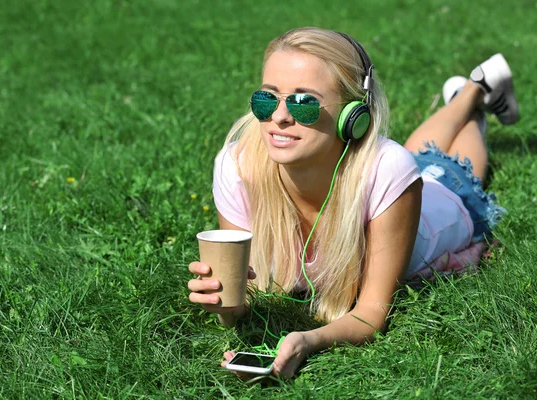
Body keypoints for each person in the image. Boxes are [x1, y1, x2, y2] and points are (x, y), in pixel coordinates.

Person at [187, 27, 518, 378]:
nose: (279, 117)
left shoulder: (389, 170)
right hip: (390, 176)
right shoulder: (238, 164)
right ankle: (466, 92)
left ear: (353, 117)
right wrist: (226, 302)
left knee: (447, 167)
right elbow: (247, 289)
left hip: (443, 200)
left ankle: (473, 95)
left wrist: (309, 340)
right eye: (267, 99)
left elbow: (371, 313)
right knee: (419, 154)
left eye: (304, 102)